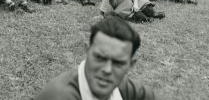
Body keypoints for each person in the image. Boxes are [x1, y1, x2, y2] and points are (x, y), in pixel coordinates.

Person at [35, 16, 163, 100]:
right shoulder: (60, 95)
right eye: (99, 58)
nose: (107, 70)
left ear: (130, 64)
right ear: (87, 51)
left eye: (118, 63)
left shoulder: (127, 89)